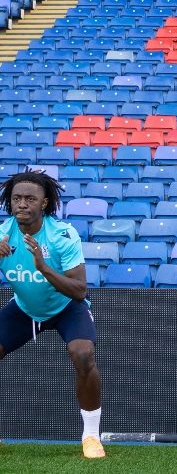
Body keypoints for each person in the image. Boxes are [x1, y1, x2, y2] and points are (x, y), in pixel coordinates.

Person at [0, 171, 105, 459]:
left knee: (83, 354)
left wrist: (44, 268)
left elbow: (80, 291)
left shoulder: (62, 235)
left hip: (65, 307)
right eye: (16, 198)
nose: (22, 204)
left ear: (44, 203)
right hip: (25, 308)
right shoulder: (2, 235)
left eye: (30, 198)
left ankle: (91, 436)